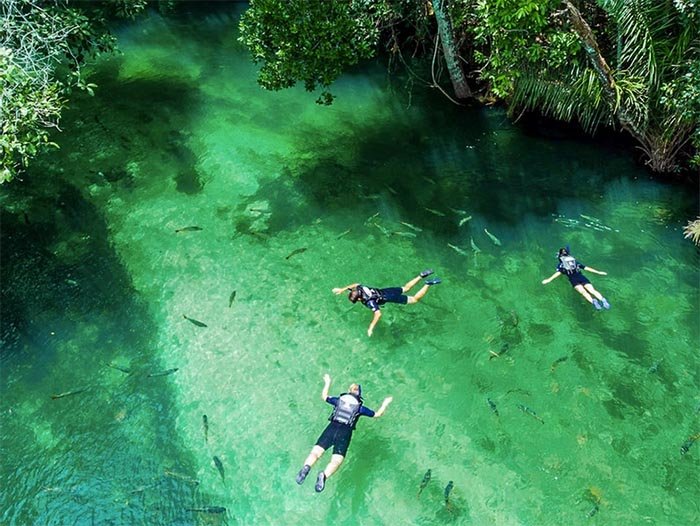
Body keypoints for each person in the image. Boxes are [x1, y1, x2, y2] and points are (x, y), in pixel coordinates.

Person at [295, 374, 393, 493]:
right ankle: (324, 475)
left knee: (316, 452)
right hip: (345, 432)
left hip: (331, 427)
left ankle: (307, 467)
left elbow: (324, 396)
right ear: (359, 395)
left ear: (348, 391)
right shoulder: (360, 408)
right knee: (336, 461)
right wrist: (385, 403)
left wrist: (328, 382)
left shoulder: (338, 400)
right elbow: (377, 414)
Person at [332, 269, 441, 336]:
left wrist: (371, 327)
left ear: (359, 298)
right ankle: (421, 275)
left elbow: (378, 314)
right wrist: (342, 289)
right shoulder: (361, 288)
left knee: (414, 299)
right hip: (385, 290)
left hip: (389, 297)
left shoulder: (370, 302)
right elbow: (354, 285)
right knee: (406, 287)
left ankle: (428, 284)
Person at [542, 247, 610, 310]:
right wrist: (598, 272)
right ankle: (603, 300)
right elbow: (586, 268)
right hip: (582, 277)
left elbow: (558, 273)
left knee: (584, 292)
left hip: (574, 280)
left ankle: (593, 301)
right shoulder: (574, 262)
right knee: (592, 290)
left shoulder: (561, 265)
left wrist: (549, 280)